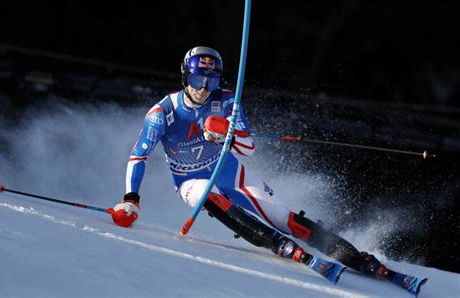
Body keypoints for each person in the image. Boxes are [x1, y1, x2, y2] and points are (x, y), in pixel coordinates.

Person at [108, 46, 388, 278]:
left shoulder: (227, 100)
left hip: (230, 171)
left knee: (284, 217)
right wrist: (131, 199)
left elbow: (248, 148)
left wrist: (223, 137)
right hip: (189, 180)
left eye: (211, 82)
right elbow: (138, 156)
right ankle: (277, 244)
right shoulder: (162, 113)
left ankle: (356, 258)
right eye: (197, 81)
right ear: (185, 77)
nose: (204, 89)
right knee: (207, 194)